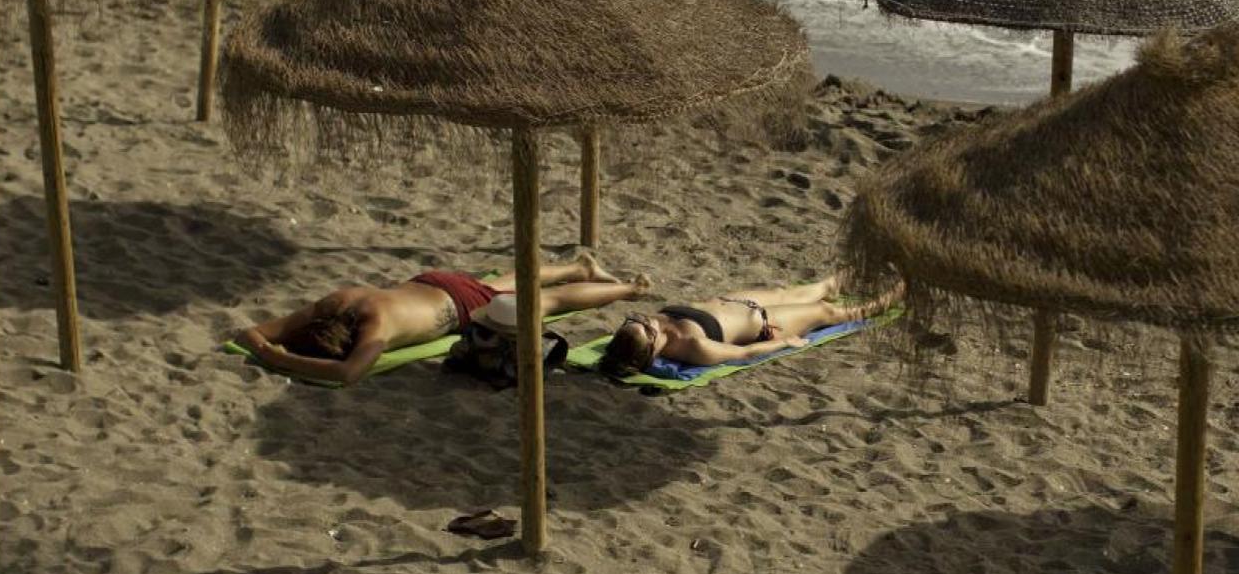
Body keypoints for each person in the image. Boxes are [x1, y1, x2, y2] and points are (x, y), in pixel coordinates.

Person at [239, 253, 648, 385]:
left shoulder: (374, 329)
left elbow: (348, 373)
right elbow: (253, 331)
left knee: (546, 302)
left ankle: (629, 288)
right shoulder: (337, 301)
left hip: (458, 306)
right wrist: (262, 342)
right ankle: (577, 265)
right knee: (505, 284)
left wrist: (275, 358)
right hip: (432, 282)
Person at [598, 276, 901, 376]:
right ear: (651, 347)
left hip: (739, 301)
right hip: (765, 322)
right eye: (643, 326)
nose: (644, 318)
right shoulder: (694, 347)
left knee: (818, 286)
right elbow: (743, 354)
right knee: (826, 311)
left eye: (634, 319)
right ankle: (892, 296)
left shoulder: (657, 325)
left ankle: (871, 261)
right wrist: (785, 343)